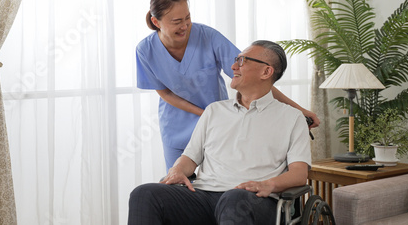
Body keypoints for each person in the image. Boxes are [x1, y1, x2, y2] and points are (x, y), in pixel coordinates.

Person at [129, 40, 311, 225]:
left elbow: (299, 174)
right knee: (145, 194)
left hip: (253, 200)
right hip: (203, 196)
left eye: (242, 61)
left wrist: (269, 185)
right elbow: (190, 158)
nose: (233, 67)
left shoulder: (292, 118)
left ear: (266, 71)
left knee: (233, 199)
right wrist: (177, 170)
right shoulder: (213, 111)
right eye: (235, 60)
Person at [136, 0, 318, 171]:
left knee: (216, 180)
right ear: (156, 22)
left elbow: (255, 78)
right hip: (176, 125)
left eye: (187, 18)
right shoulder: (145, 50)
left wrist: (299, 110)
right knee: (178, 183)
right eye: (177, 21)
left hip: (217, 125)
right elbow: (165, 93)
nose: (185, 26)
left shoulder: (208, 37)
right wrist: (205, 114)